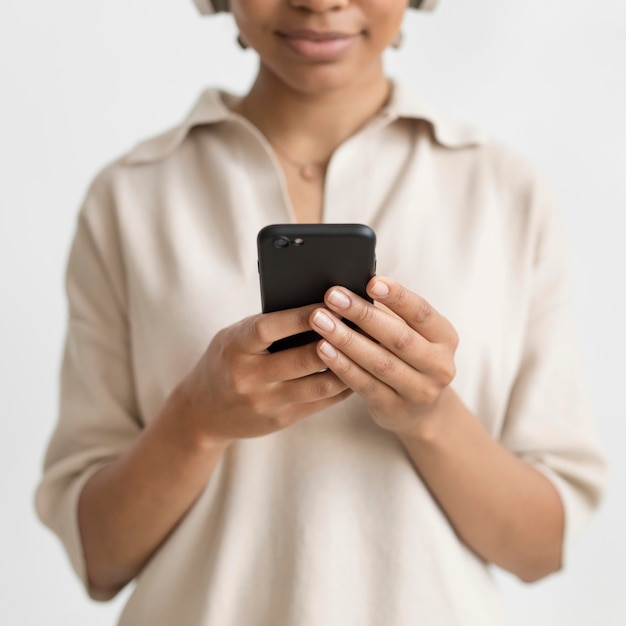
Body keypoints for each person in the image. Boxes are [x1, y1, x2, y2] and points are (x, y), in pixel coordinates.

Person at [35, 1, 606, 624]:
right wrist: (196, 419)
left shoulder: (506, 193)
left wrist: (430, 416)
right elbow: (100, 558)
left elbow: (538, 551)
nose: (320, 1)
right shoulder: (130, 196)